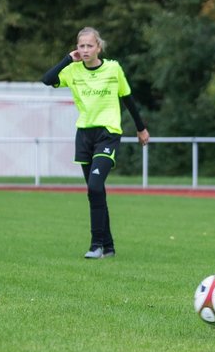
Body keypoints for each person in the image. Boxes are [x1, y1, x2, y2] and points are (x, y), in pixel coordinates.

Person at [41, 27, 149, 259]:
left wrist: (141, 128)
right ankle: (108, 247)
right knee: (95, 192)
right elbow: (47, 80)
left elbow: (127, 98)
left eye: (90, 45)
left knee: (95, 186)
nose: (85, 50)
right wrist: (68, 59)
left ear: (99, 47)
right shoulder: (72, 71)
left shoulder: (113, 68)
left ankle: (96, 245)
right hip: (84, 135)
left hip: (108, 133)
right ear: (77, 48)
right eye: (81, 46)